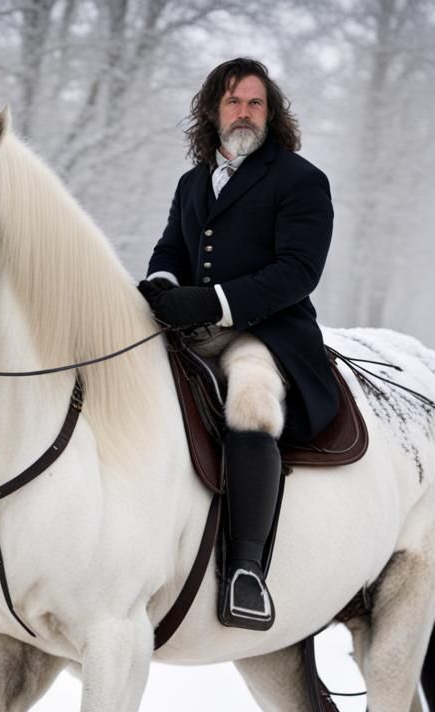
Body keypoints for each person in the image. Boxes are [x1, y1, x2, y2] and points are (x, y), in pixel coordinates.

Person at [140, 57, 339, 631]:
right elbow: (171, 251)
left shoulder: (301, 180)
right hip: (192, 329)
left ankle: (245, 571)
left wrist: (214, 302)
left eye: (255, 102)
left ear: (270, 113)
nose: (244, 112)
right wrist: (162, 287)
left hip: (266, 331)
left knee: (250, 397)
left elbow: (298, 271)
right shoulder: (193, 181)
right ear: (213, 110)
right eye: (233, 101)